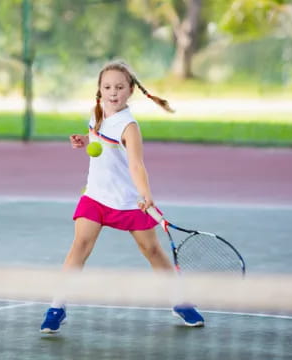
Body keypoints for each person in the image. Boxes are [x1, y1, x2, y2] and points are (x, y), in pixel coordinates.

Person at [40, 60, 204, 333]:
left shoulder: (130, 127)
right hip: (95, 196)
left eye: (119, 87)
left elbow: (136, 165)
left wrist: (146, 195)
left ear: (130, 91)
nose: (113, 92)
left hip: (128, 202)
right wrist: (85, 140)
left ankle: (180, 301)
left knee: (152, 250)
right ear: (99, 90)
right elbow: (98, 140)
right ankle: (57, 306)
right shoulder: (97, 113)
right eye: (107, 87)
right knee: (79, 245)